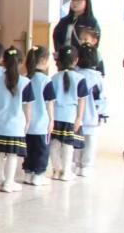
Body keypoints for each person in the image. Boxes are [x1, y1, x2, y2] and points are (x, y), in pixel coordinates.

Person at [0, 48, 32, 193]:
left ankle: (0, 181)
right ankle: (8, 182)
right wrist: (28, 121)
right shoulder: (25, 82)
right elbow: (27, 106)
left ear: (4, 62)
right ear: (21, 62)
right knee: (13, 155)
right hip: (16, 125)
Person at [49, 46, 87, 182]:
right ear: (76, 60)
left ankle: (56, 170)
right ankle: (66, 171)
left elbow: (50, 101)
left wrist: (50, 118)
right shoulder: (80, 78)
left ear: (59, 61)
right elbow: (82, 100)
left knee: (54, 144)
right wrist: (79, 118)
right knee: (68, 145)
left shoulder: (53, 78)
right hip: (70, 117)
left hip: (55, 116)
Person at [23, 47, 56, 186]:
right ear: (43, 60)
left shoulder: (25, 78)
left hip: (26, 123)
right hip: (41, 123)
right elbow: (49, 103)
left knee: (29, 149)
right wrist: (51, 119)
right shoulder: (46, 80)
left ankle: (28, 173)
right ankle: (39, 175)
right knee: (42, 150)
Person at [74, 45, 107, 178]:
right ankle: (86, 166)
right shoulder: (98, 78)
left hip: (76, 116)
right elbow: (101, 98)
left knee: (76, 141)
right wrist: (101, 114)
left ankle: (76, 165)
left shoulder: (75, 75)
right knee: (90, 143)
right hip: (92, 117)